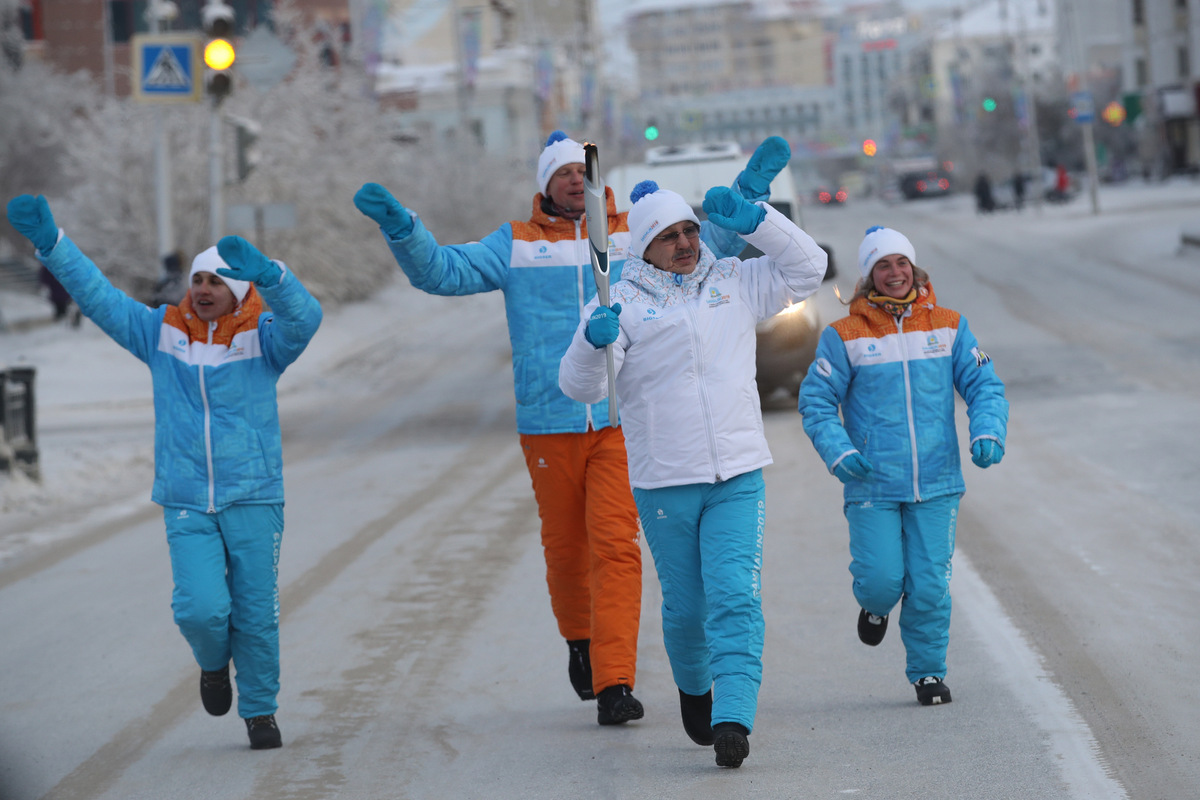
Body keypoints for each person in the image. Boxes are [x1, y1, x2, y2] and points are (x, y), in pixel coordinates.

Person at [352, 132, 792, 727]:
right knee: (566, 548)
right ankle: (580, 641)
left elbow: (708, 239)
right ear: (544, 184)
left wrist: (752, 190)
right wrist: (403, 229)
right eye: (558, 173)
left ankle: (615, 681)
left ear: (594, 180)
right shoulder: (516, 243)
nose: (568, 181)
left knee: (615, 546)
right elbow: (442, 273)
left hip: (620, 422)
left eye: (576, 171)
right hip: (548, 418)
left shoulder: (629, 235)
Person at [6, 194, 323, 749]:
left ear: (238, 292)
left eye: (215, 282)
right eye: (197, 279)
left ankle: (260, 712)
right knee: (201, 611)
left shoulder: (265, 339)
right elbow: (98, 297)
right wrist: (53, 245)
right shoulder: (159, 333)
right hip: (186, 497)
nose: (201, 289)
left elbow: (307, 316)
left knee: (255, 615)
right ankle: (211, 663)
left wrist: (272, 275)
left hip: (253, 494)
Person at [559, 180, 827, 767]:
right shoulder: (618, 303)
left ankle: (733, 714)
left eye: (689, 230)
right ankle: (696, 688)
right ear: (643, 246)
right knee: (686, 607)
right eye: (668, 236)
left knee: (735, 596)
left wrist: (758, 221)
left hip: (737, 473)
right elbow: (581, 388)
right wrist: (589, 341)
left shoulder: (733, 281)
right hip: (664, 480)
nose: (684, 243)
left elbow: (810, 268)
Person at [797, 225, 1008, 707]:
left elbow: (984, 385)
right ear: (869, 275)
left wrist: (987, 430)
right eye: (883, 265)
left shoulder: (948, 325)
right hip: (872, 481)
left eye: (901, 263)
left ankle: (928, 673)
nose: (894, 273)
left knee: (930, 585)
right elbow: (817, 400)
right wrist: (840, 451)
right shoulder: (845, 334)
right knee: (881, 581)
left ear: (914, 268)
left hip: (937, 481)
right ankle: (874, 609)